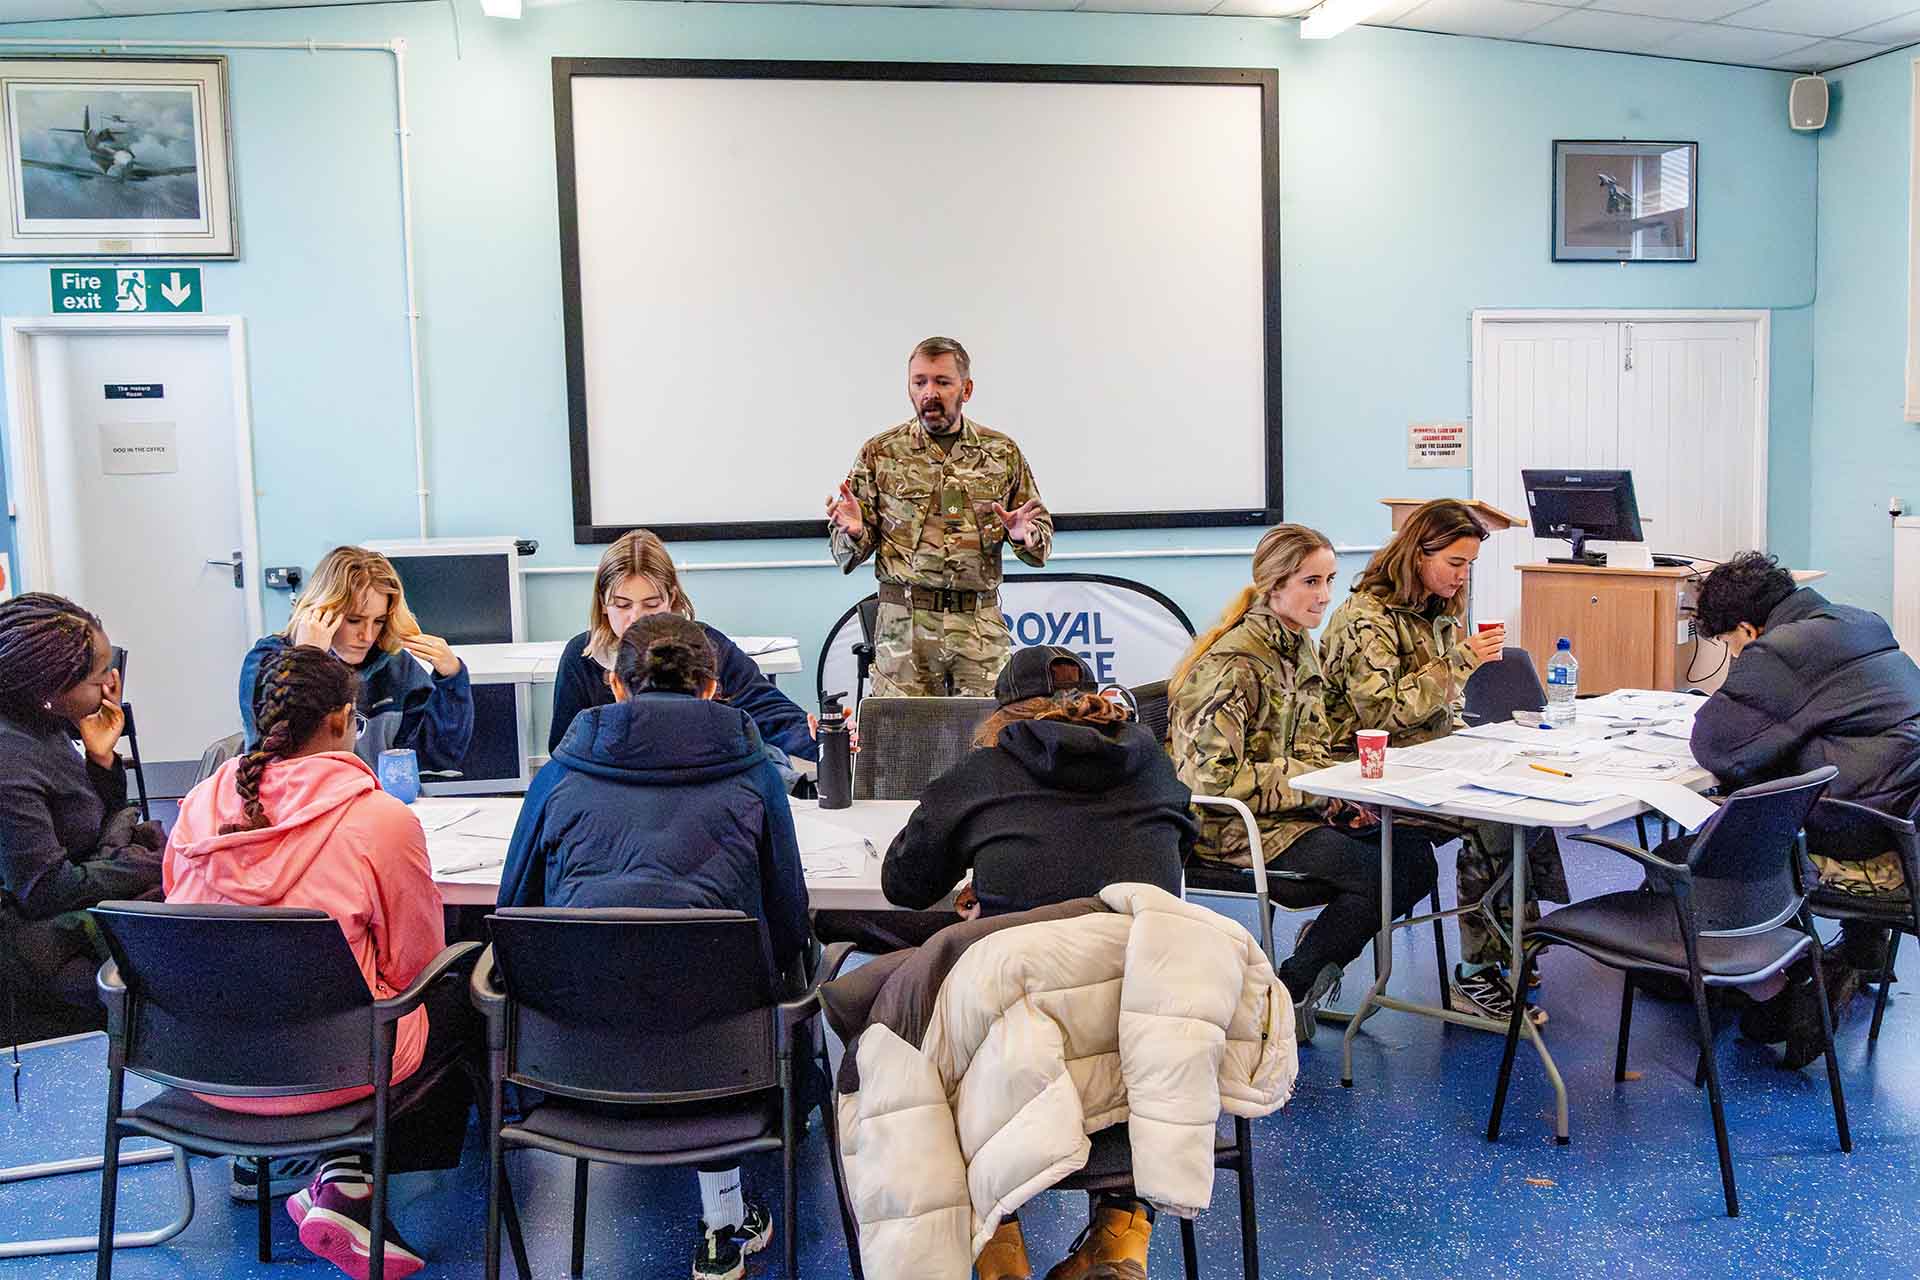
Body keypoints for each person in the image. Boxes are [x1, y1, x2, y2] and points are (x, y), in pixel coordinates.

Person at [498, 614, 810, 1280]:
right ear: (712, 689)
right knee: (742, 984)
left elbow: (513, 906)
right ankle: (724, 1218)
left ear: (613, 686)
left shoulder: (560, 773)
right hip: (723, 1063)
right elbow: (789, 924)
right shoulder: (755, 773)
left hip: (575, 1064)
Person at [167, 644, 470, 1280]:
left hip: (203, 1065)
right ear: (341, 720)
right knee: (462, 983)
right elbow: (417, 961)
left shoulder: (195, 810)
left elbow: (181, 929)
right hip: (338, 1071)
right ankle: (360, 1175)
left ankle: (347, 1177)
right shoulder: (379, 821)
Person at [1168, 525, 1439, 1044]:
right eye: (1311, 582)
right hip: (1227, 828)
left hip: (1290, 814)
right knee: (1374, 873)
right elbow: (1209, 781)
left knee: (1413, 857)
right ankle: (1290, 989)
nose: (1325, 596)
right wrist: (1316, 788)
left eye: (1330, 580)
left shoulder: (1297, 646)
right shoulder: (1234, 663)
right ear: (1274, 585)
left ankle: (1302, 972)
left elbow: (1309, 750)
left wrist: (1337, 796)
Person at [1318, 498, 1567, 1026]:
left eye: (1470, 565)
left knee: (1526, 800)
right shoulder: (1365, 620)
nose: (1462, 577)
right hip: (1366, 777)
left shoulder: (1434, 613)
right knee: (1493, 820)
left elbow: (1440, 707)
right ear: (1416, 555)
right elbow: (1382, 712)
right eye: (1455, 564)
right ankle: (1478, 972)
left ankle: (1515, 943)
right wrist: (1462, 662)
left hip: (1425, 763)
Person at [1688, 551, 1920, 1067]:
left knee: (1696, 852)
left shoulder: (1781, 650)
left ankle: (1780, 994)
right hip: (1903, 821)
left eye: (1729, 643)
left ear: (1748, 629)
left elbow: (1716, 746)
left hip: (1859, 830)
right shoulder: (1854, 621)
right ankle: (1862, 948)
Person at [883, 644, 1191, 916]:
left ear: (1001, 718)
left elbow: (906, 886)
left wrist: (996, 885)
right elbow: (1172, 848)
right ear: (1091, 703)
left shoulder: (979, 776)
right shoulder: (1153, 764)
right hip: (1141, 965)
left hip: (1022, 972)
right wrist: (995, 876)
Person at [825, 335, 1053, 697]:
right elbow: (845, 553)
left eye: (942, 382)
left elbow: (1040, 542)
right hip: (904, 625)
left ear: (966, 389)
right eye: (920, 382)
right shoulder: (881, 452)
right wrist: (853, 532)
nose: (929, 392)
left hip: (978, 625)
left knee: (987, 736)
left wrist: (1025, 536)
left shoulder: (1001, 452)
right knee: (903, 743)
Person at [0, 594, 164, 1031]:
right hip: (32, 951)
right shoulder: (10, 759)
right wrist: (151, 866)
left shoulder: (48, 727)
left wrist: (101, 759)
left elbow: (92, 817)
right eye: (97, 679)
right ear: (50, 689)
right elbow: (44, 889)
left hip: (70, 908)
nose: (111, 684)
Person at [546, 528, 816, 764]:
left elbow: (768, 710)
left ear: (671, 598)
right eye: (622, 605)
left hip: (701, 779)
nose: (636, 617)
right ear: (603, 603)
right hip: (621, 787)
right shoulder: (581, 657)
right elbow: (563, 748)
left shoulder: (706, 647)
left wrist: (827, 737)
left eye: (651, 604)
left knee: (771, 762)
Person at [239, 546, 473, 775]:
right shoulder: (265, 661)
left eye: (379, 621)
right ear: (321, 610)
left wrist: (451, 682)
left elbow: (437, 759)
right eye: (354, 620)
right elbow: (277, 765)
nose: (367, 636)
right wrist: (309, 660)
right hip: (303, 806)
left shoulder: (396, 665)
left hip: (376, 804)